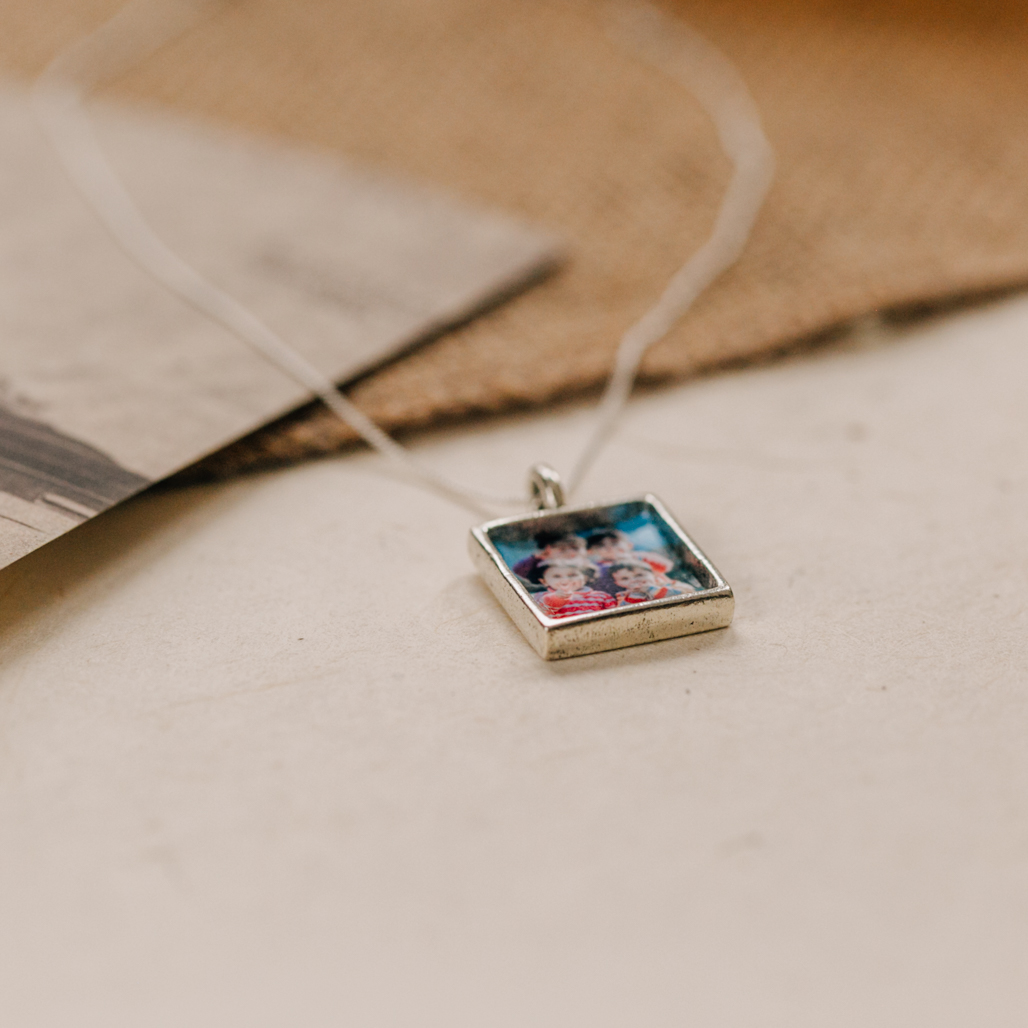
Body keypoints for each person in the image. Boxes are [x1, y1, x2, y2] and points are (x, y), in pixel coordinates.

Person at [585, 528, 674, 595]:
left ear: (629, 545)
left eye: (614, 543)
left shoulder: (638, 556)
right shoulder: (594, 567)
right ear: (591, 552)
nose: (609, 547)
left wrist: (632, 558)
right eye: (600, 546)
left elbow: (666, 566)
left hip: (657, 590)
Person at [528, 560, 616, 618]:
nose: (566, 579)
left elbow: (614, 615)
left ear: (585, 578)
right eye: (557, 576)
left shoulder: (602, 596)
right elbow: (541, 613)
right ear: (544, 582)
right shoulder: (540, 596)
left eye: (572, 575)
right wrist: (557, 598)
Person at [512, 531, 587, 584]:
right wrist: (535, 558)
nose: (569, 553)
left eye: (573, 549)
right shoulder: (542, 563)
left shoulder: (577, 561)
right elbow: (518, 569)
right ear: (548, 548)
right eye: (562, 550)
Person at [609, 560, 695, 605]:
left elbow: (688, 592)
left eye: (639, 575)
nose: (634, 580)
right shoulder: (623, 596)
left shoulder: (670, 584)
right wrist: (634, 594)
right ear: (617, 583)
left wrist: (649, 589)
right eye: (625, 578)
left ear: (653, 574)